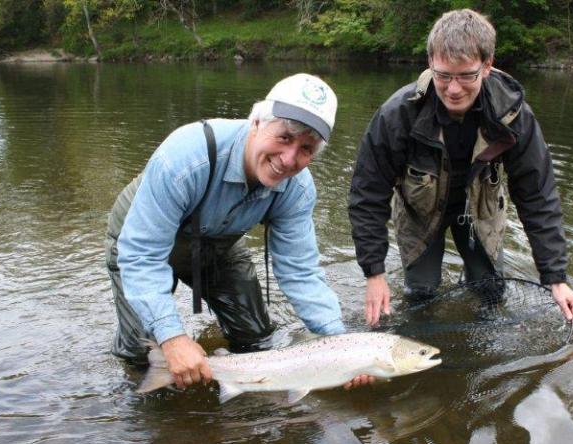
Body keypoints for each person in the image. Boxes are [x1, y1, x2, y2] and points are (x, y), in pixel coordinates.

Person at [106, 73, 373, 390]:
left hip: (219, 244)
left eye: (306, 149)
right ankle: (138, 407)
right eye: (284, 137)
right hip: (139, 243)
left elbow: (300, 270)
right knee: (143, 352)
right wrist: (172, 336)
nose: (289, 160)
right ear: (257, 122)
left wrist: (341, 345)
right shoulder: (186, 157)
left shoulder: (297, 190)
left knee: (256, 337)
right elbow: (141, 255)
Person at [348, 9, 573, 327]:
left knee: (490, 291)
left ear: (487, 66)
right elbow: (367, 194)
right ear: (430, 62)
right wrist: (373, 273)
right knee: (421, 293)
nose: (453, 89)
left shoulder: (513, 116)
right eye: (443, 75)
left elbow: (537, 195)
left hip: (480, 211)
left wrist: (555, 278)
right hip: (420, 213)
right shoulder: (397, 114)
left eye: (466, 76)